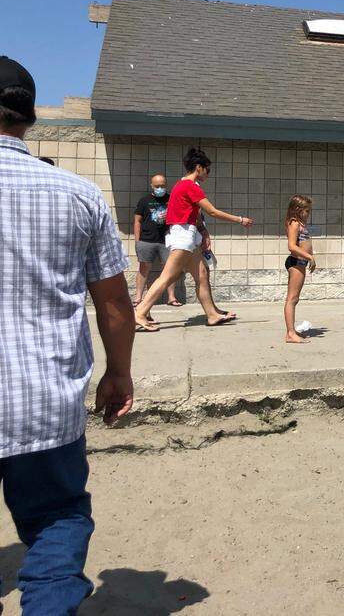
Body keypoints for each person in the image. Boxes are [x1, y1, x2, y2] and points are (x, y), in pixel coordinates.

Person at [1, 56, 135, 614]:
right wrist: (119, 373)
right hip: (43, 403)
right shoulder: (78, 195)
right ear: (29, 118)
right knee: (57, 521)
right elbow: (114, 305)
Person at [133, 147, 254, 331]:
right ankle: (139, 313)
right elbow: (211, 211)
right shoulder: (189, 186)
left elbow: (195, 216)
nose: (208, 173)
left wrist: (203, 232)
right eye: (207, 169)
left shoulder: (181, 185)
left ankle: (212, 315)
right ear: (199, 167)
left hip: (187, 235)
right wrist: (240, 219)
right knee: (166, 277)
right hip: (183, 236)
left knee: (202, 275)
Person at [132, 172, 182, 314]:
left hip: (167, 240)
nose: (160, 188)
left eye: (163, 186)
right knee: (144, 268)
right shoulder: (144, 201)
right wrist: (137, 241)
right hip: (146, 240)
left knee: (170, 269)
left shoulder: (172, 199)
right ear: (152, 186)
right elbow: (137, 221)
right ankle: (138, 297)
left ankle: (171, 297)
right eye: (157, 186)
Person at [283, 195, 317, 344]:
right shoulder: (294, 223)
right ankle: (290, 333)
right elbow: (292, 246)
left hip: (301, 262)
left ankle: (292, 331)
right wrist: (309, 257)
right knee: (291, 299)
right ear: (297, 209)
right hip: (296, 262)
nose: (308, 214)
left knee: (294, 299)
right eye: (306, 211)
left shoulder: (300, 223)